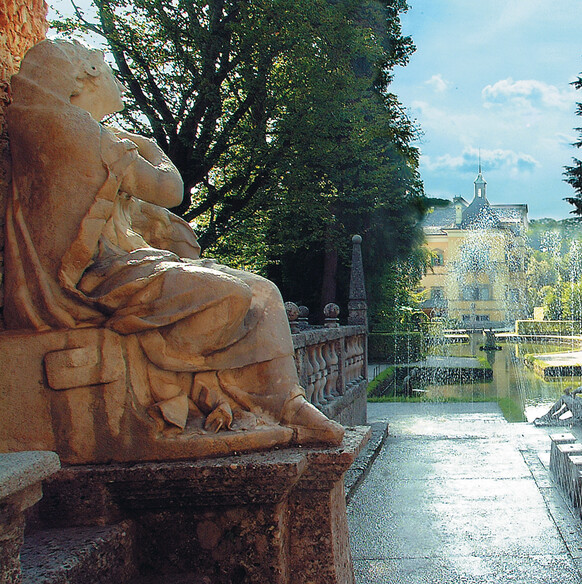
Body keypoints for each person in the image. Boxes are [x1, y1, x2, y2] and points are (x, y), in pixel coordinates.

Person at [4, 40, 343, 444]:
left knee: (265, 292)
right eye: (105, 66)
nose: (114, 76)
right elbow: (170, 189)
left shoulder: (87, 133)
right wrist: (149, 146)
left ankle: (287, 403)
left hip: (122, 263)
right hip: (93, 278)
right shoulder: (80, 133)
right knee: (231, 296)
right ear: (87, 76)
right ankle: (207, 387)